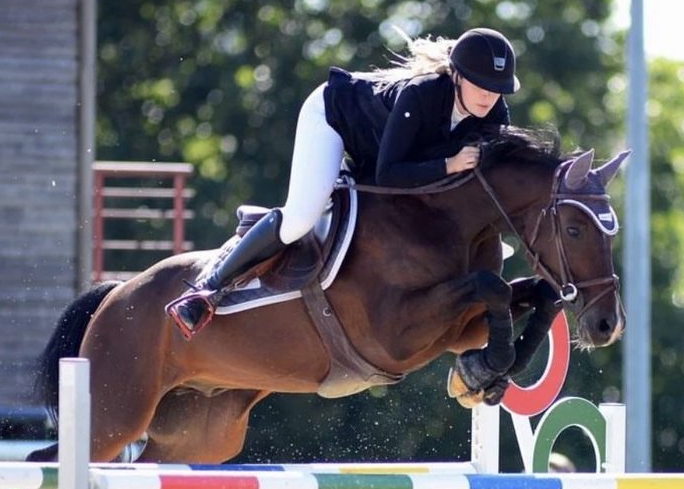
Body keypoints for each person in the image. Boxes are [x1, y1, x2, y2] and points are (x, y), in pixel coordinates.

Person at [166, 28, 520, 338]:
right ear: (456, 76)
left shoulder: (495, 112)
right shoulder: (422, 94)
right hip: (334, 119)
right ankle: (207, 289)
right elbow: (389, 173)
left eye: (497, 89)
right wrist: (449, 164)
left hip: (381, 148)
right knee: (302, 219)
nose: (488, 96)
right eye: (481, 85)